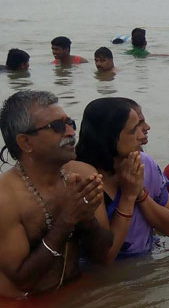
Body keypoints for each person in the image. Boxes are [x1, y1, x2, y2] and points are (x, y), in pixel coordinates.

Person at [0, 90, 112, 297]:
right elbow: (23, 280)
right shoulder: (5, 197)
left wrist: (86, 218)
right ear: (25, 142)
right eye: (58, 127)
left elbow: (101, 254)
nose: (70, 132)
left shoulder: (84, 173)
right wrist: (67, 220)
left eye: (71, 123)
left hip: (75, 291)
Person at [74, 98, 169, 260]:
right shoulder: (85, 176)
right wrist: (128, 197)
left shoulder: (145, 163)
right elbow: (105, 257)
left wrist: (140, 194)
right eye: (133, 130)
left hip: (147, 260)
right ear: (108, 136)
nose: (141, 134)